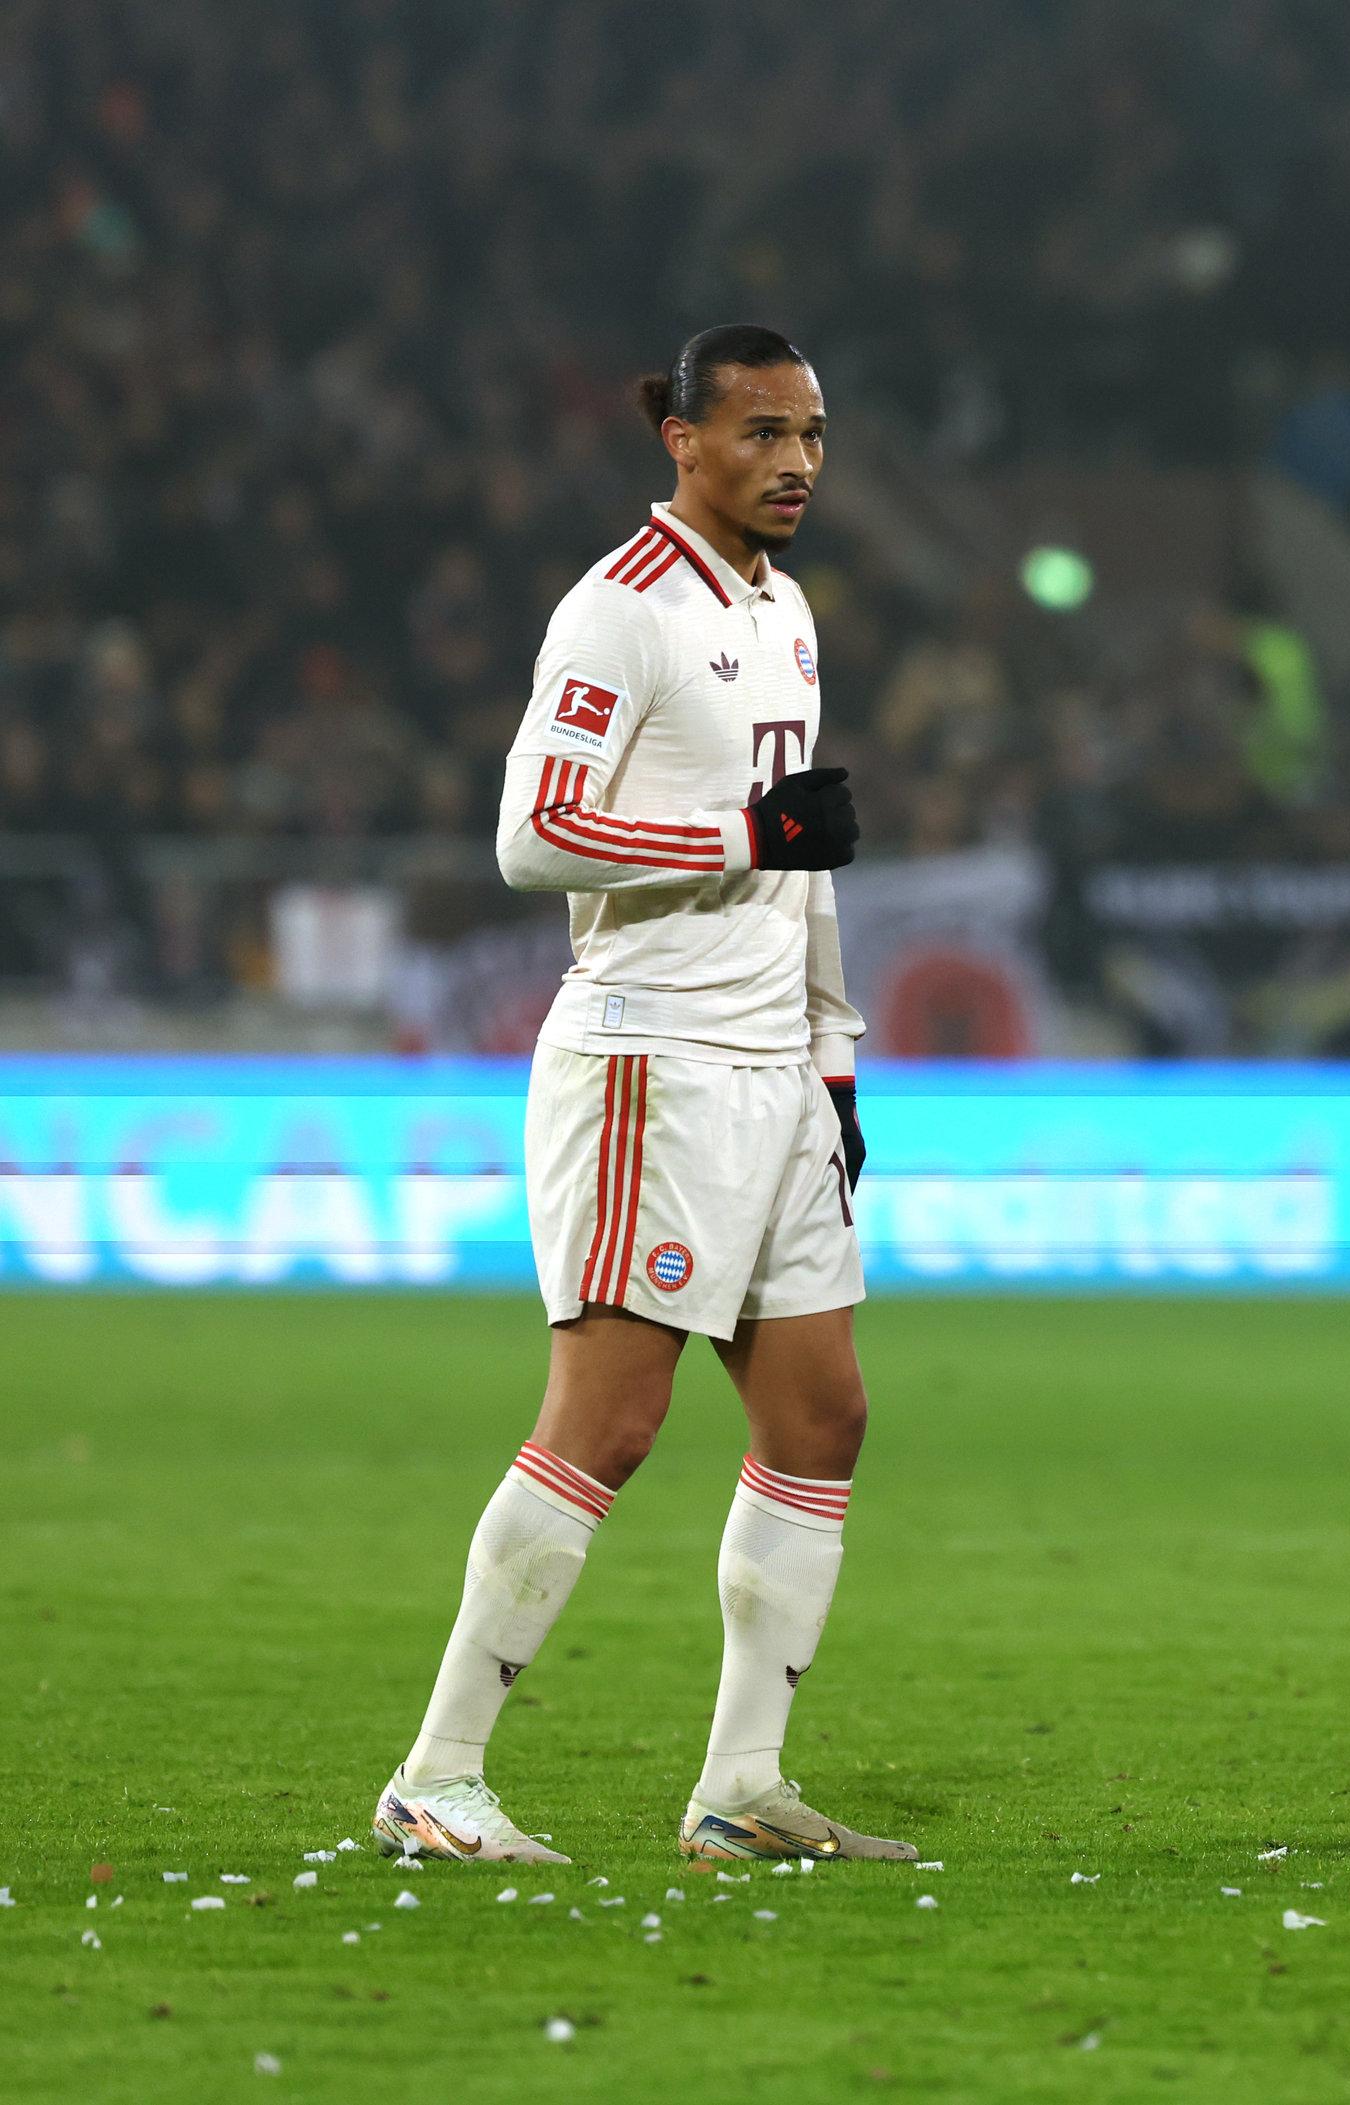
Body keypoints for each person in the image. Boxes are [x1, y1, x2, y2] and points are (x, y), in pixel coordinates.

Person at [371, 325, 910, 1865]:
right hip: (647, 1060)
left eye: (811, 432)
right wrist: (744, 829)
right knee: (608, 1422)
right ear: (681, 439)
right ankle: (436, 1774)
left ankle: (741, 1786)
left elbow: (798, 856)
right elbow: (531, 835)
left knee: (824, 1414)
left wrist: (835, 1048)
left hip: (773, 1073)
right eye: (759, 433)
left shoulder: (787, 610)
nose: (796, 461)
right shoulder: (620, 612)